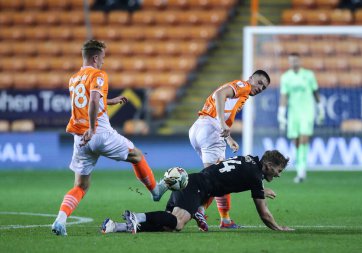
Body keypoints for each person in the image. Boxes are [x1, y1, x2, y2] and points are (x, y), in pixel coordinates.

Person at [51, 40, 167, 236]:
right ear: (95, 58)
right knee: (137, 156)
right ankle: (155, 191)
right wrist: (93, 128)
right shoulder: (99, 75)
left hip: (80, 140)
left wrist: (111, 101)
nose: (103, 62)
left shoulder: (74, 78)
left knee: (80, 186)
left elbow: (89, 100)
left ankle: (60, 220)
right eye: (103, 57)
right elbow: (94, 100)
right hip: (99, 133)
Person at [101, 150, 294, 234]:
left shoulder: (251, 161)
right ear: (268, 165)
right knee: (177, 224)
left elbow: (239, 176)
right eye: (278, 170)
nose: (278, 174)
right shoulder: (254, 175)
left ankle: (116, 226)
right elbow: (263, 213)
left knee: (168, 225)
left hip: (196, 183)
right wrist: (278, 227)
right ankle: (137, 216)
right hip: (197, 187)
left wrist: (260, 187)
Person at [188, 70, 271, 230]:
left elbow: (219, 108)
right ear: (251, 78)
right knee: (215, 178)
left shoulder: (243, 93)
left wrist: (229, 139)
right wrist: (223, 123)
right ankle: (198, 210)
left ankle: (224, 219)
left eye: (264, 88)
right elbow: (220, 94)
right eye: (259, 83)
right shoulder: (243, 86)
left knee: (220, 174)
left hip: (199, 128)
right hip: (210, 129)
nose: (260, 88)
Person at [277, 52, 325, 184]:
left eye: (295, 60)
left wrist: (320, 108)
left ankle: (301, 170)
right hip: (293, 113)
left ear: (300, 61)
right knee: (296, 141)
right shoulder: (286, 77)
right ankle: (300, 168)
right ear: (289, 62)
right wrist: (281, 112)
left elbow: (315, 92)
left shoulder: (308, 75)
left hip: (307, 111)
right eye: (291, 61)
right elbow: (284, 96)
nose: (294, 63)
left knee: (304, 138)